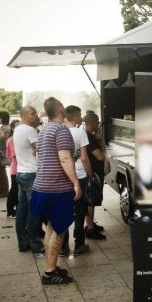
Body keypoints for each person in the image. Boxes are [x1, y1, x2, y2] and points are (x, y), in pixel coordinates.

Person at [30, 97, 80, 284]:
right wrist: (75, 182)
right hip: (57, 188)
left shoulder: (44, 131)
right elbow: (65, 158)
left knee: (51, 227)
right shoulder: (61, 130)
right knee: (59, 230)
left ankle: (50, 266)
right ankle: (50, 273)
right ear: (60, 108)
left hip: (42, 186)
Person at [60, 106, 91, 257]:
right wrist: (90, 174)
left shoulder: (59, 131)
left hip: (64, 176)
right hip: (79, 175)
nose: (81, 117)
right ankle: (79, 244)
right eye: (79, 115)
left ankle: (63, 246)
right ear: (75, 117)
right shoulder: (80, 132)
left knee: (64, 211)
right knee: (79, 212)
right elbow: (84, 158)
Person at [13, 107, 43, 253]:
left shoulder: (18, 129)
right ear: (24, 116)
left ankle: (22, 243)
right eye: (32, 114)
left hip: (21, 172)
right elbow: (42, 148)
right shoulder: (30, 130)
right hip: (31, 174)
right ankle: (35, 243)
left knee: (22, 210)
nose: (36, 116)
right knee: (34, 210)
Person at [83, 112, 107, 240]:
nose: (98, 123)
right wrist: (101, 144)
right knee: (91, 201)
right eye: (97, 121)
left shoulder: (87, 135)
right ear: (92, 122)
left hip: (91, 172)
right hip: (94, 173)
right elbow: (99, 156)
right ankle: (90, 228)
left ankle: (90, 224)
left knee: (92, 200)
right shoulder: (90, 138)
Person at [5, 119, 20, 218]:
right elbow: (14, 156)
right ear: (12, 128)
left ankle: (18, 209)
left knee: (18, 191)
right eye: (17, 127)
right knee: (14, 190)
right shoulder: (11, 140)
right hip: (16, 169)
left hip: (21, 168)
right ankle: (10, 210)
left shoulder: (20, 138)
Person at [0, 111, 11, 198]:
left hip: (3, 152)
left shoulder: (7, 129)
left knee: (0, 171)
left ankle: (5, 190)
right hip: (1, 151)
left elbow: (2, 140)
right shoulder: (2, 128)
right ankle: (2, 189)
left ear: (2, 118)